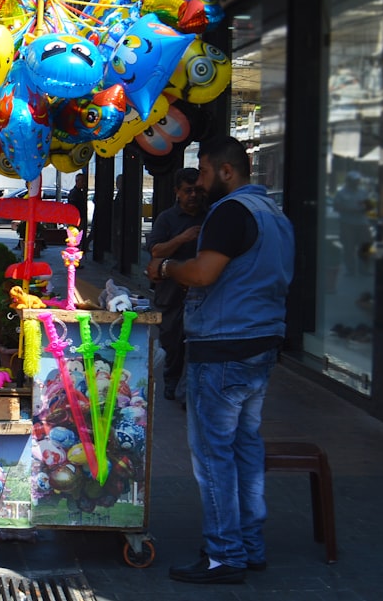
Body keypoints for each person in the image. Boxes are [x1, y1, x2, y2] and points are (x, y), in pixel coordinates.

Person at [145, 135, 294, 585]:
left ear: (227, 171)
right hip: (260, 344)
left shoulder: (231, 211)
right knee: (244, 449)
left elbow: (204, 274)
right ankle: (249, 546)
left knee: (213, 456)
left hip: (225, 346)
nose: (201, 180)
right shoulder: (275, 215)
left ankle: (224, 554)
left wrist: (165, 269)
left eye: (205, 171)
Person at [145, 168, 206, 402]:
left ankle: (189, 390)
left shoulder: (210, 216)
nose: (193, 195)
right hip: (171, 293)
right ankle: (172, 383)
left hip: (201, 293)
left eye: (197, 190)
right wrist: (183, 238)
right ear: (177, 192)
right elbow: (156, 251)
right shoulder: (167, 219)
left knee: (196, 344)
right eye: (188, 190)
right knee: (173, 342)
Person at [332, 170, 373, 276]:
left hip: (362, 223)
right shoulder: (341, 193)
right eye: (354, 180)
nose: (356, 182)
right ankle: (351, 270)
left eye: (358, 180)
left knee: (366, 246)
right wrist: (351, 210)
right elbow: (336, 207)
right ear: (348, 181)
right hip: (347, 224)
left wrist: (365, 208)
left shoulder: (363, 192)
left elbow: (369, 206)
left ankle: (364, 269)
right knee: (348, 248)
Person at [67, 172, 89, 249]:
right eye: (82, 181)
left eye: (84, 181)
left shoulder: (80, 192)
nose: (84, 183)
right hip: (76, 219)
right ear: (77, 181)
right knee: (75, 237)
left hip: (79, 218)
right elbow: (73, 207)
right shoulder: (74, 193)